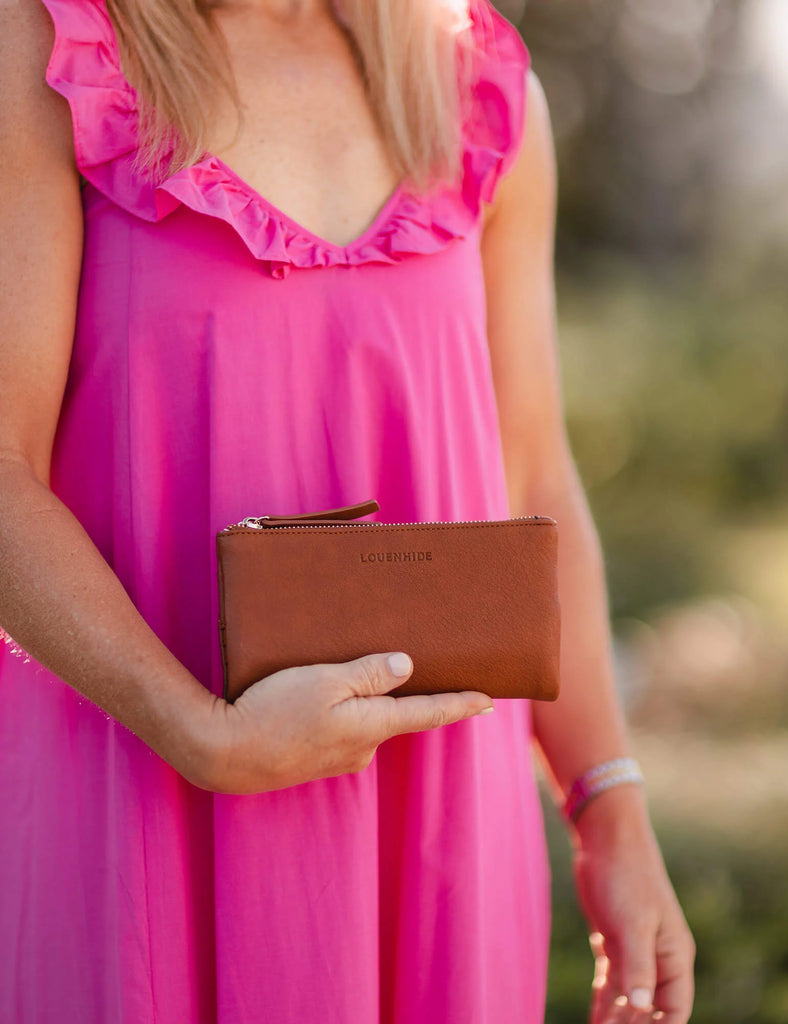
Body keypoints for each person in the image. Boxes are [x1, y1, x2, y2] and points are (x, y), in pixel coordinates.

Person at [0, 0, 695, 1021]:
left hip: (443, 823)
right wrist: (201, 734)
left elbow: (535, 477)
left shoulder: (478, 87)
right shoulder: (52, 57)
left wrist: (612, 814)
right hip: (143, 799)